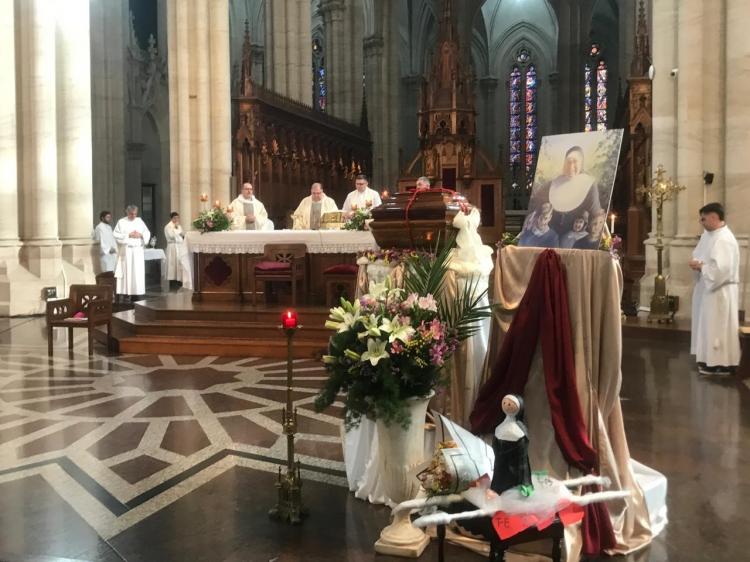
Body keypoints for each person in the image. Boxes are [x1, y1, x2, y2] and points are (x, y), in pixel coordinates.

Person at [689, 202, 740, 375]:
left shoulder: (724, 239)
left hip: (720, 290)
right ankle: (707, 359)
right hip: (707, 287)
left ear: (713, 217)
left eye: (703, 218)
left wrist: (701, 267)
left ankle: (720, 363)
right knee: (708, 325)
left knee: (718, 327)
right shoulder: (708, 235)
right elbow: (699, 254)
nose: (701, 222)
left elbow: (722, 269)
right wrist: (696, 263)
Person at [528, 145, 602, 238]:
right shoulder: (552, 184)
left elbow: (596, 215)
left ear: (581, 163)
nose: (571, 166)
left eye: (575, 162)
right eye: (568, 162)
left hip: (575, 238)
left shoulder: (590, 185)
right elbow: (535, 203)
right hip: (550, 236)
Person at [113, 205, 151, 300]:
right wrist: (128, 235)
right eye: (131, 214)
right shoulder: (121, 222)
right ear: (127, 212)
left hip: (137, 251)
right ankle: (126, 293)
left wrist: (141, 235)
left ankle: (137, 292)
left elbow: (147, 232)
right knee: (127, 271)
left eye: (135, 214)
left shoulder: (139, 221)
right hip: (127, 250)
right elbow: (115, 234)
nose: (133, 216)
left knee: (137, 272)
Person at [163, 212, 192, 290]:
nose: (176, 219)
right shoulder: (168, 226)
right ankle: (172, 281)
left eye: (177, 218)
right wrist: (177, 230)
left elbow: (182, 234)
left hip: (179, 246)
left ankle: (179, 280)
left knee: (179, 263)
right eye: (175, 218)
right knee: (173, 264)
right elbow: (171, 236)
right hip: (172, 247)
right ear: (171, 218)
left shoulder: (178, 226)